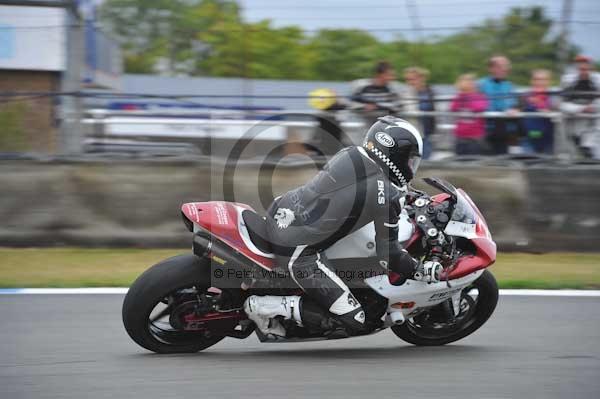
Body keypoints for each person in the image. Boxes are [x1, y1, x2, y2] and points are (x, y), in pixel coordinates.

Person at [244, 116, 441, 337]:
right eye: (409, 160)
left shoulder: (352, 154)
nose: (410, 167)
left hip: (283, 210)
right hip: (297, 250)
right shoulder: (386, 194)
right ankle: (263, 307)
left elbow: (361, 193)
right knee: (354, 319)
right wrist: (419, 270)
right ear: (395, 156)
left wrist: (406, 195)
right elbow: (388, 255)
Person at [478, 55, 520, 154]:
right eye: (501, 66)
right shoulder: (480, 84)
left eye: (506, 66)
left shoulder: (510, 86)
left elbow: (515, 104)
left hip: (504, 131)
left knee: (502, 163)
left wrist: (515, 109)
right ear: (491, 68)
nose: (505, 69)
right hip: (485, 131)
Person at [560, 55, 600, 158]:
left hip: (592, 123)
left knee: (593, 154)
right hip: (574, 122)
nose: (583, 70)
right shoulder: (567, 80)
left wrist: (592, 108)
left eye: (586, 67)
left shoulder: (597, 80)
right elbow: (561, 104)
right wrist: (582, 108)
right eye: (580, 67)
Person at [350, 61, 403, 126]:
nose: (392, 78)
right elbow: (350, 104)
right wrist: (364, 106)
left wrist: (377, 106)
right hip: (363, 125)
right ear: (380, 75)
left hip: (385, 126)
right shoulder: (361, 86)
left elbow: (397, 106)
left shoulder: (392, 89)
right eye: (389, 75)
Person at [402, 67, 436, 159]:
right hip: (412, 136)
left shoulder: (430, 92)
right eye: (407, 80)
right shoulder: (406, 93)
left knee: (426, 163)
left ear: (421, 78)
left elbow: (433, 112)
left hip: (427, 134)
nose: (410, 82)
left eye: (412, 79)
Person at [450, 74, 488, 155]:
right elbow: (453, 108)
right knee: (459, 160)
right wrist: (462, 95)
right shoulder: (458, 97)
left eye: (468, 82)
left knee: (473, 161)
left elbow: (479, 108)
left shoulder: (479, 96)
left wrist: (468, 96)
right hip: (460, 136)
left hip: (475, 137)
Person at [520, 69, 555, 154]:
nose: (539, 82)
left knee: (548, 166)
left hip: (548, 141)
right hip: (528, 140)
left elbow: (557, 109)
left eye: (543, 80)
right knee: (529, 165)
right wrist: (512, 109)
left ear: (549, 81)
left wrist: (540, 104)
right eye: (536, 79)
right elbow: (515, 107)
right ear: (531, 81)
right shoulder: (524, 96)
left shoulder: (554, 96)